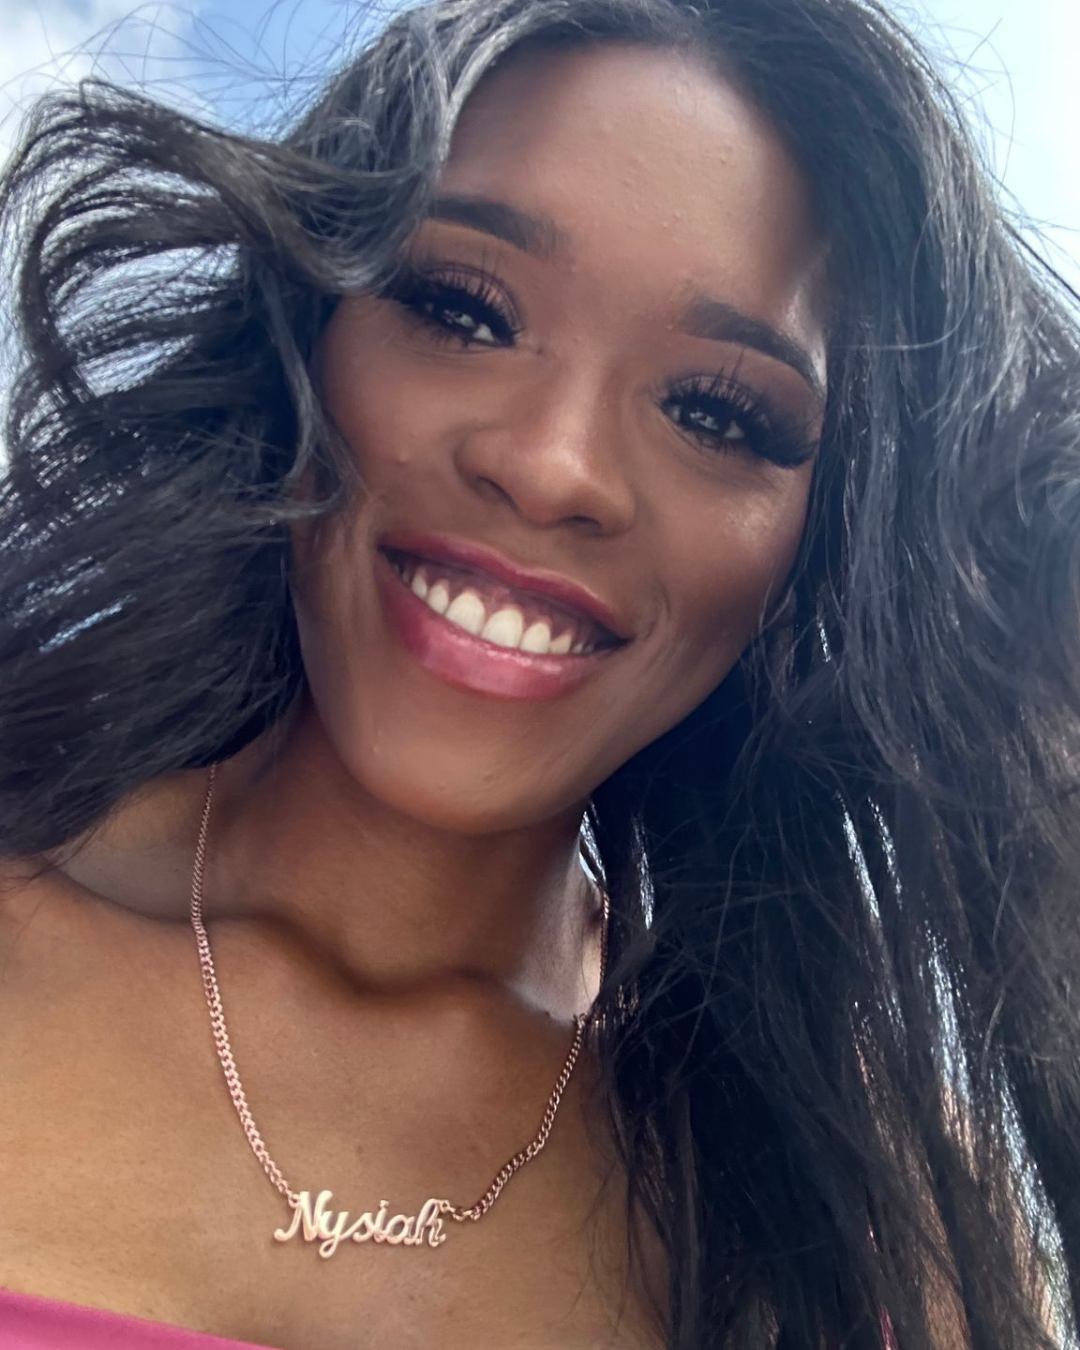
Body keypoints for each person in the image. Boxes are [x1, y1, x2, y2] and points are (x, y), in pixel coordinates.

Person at [0, 0, 1077, 1344]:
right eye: (462, 309)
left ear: (823, 553)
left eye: (717, 412)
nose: (554, 465)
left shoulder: (874, 1210)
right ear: (307, 333)